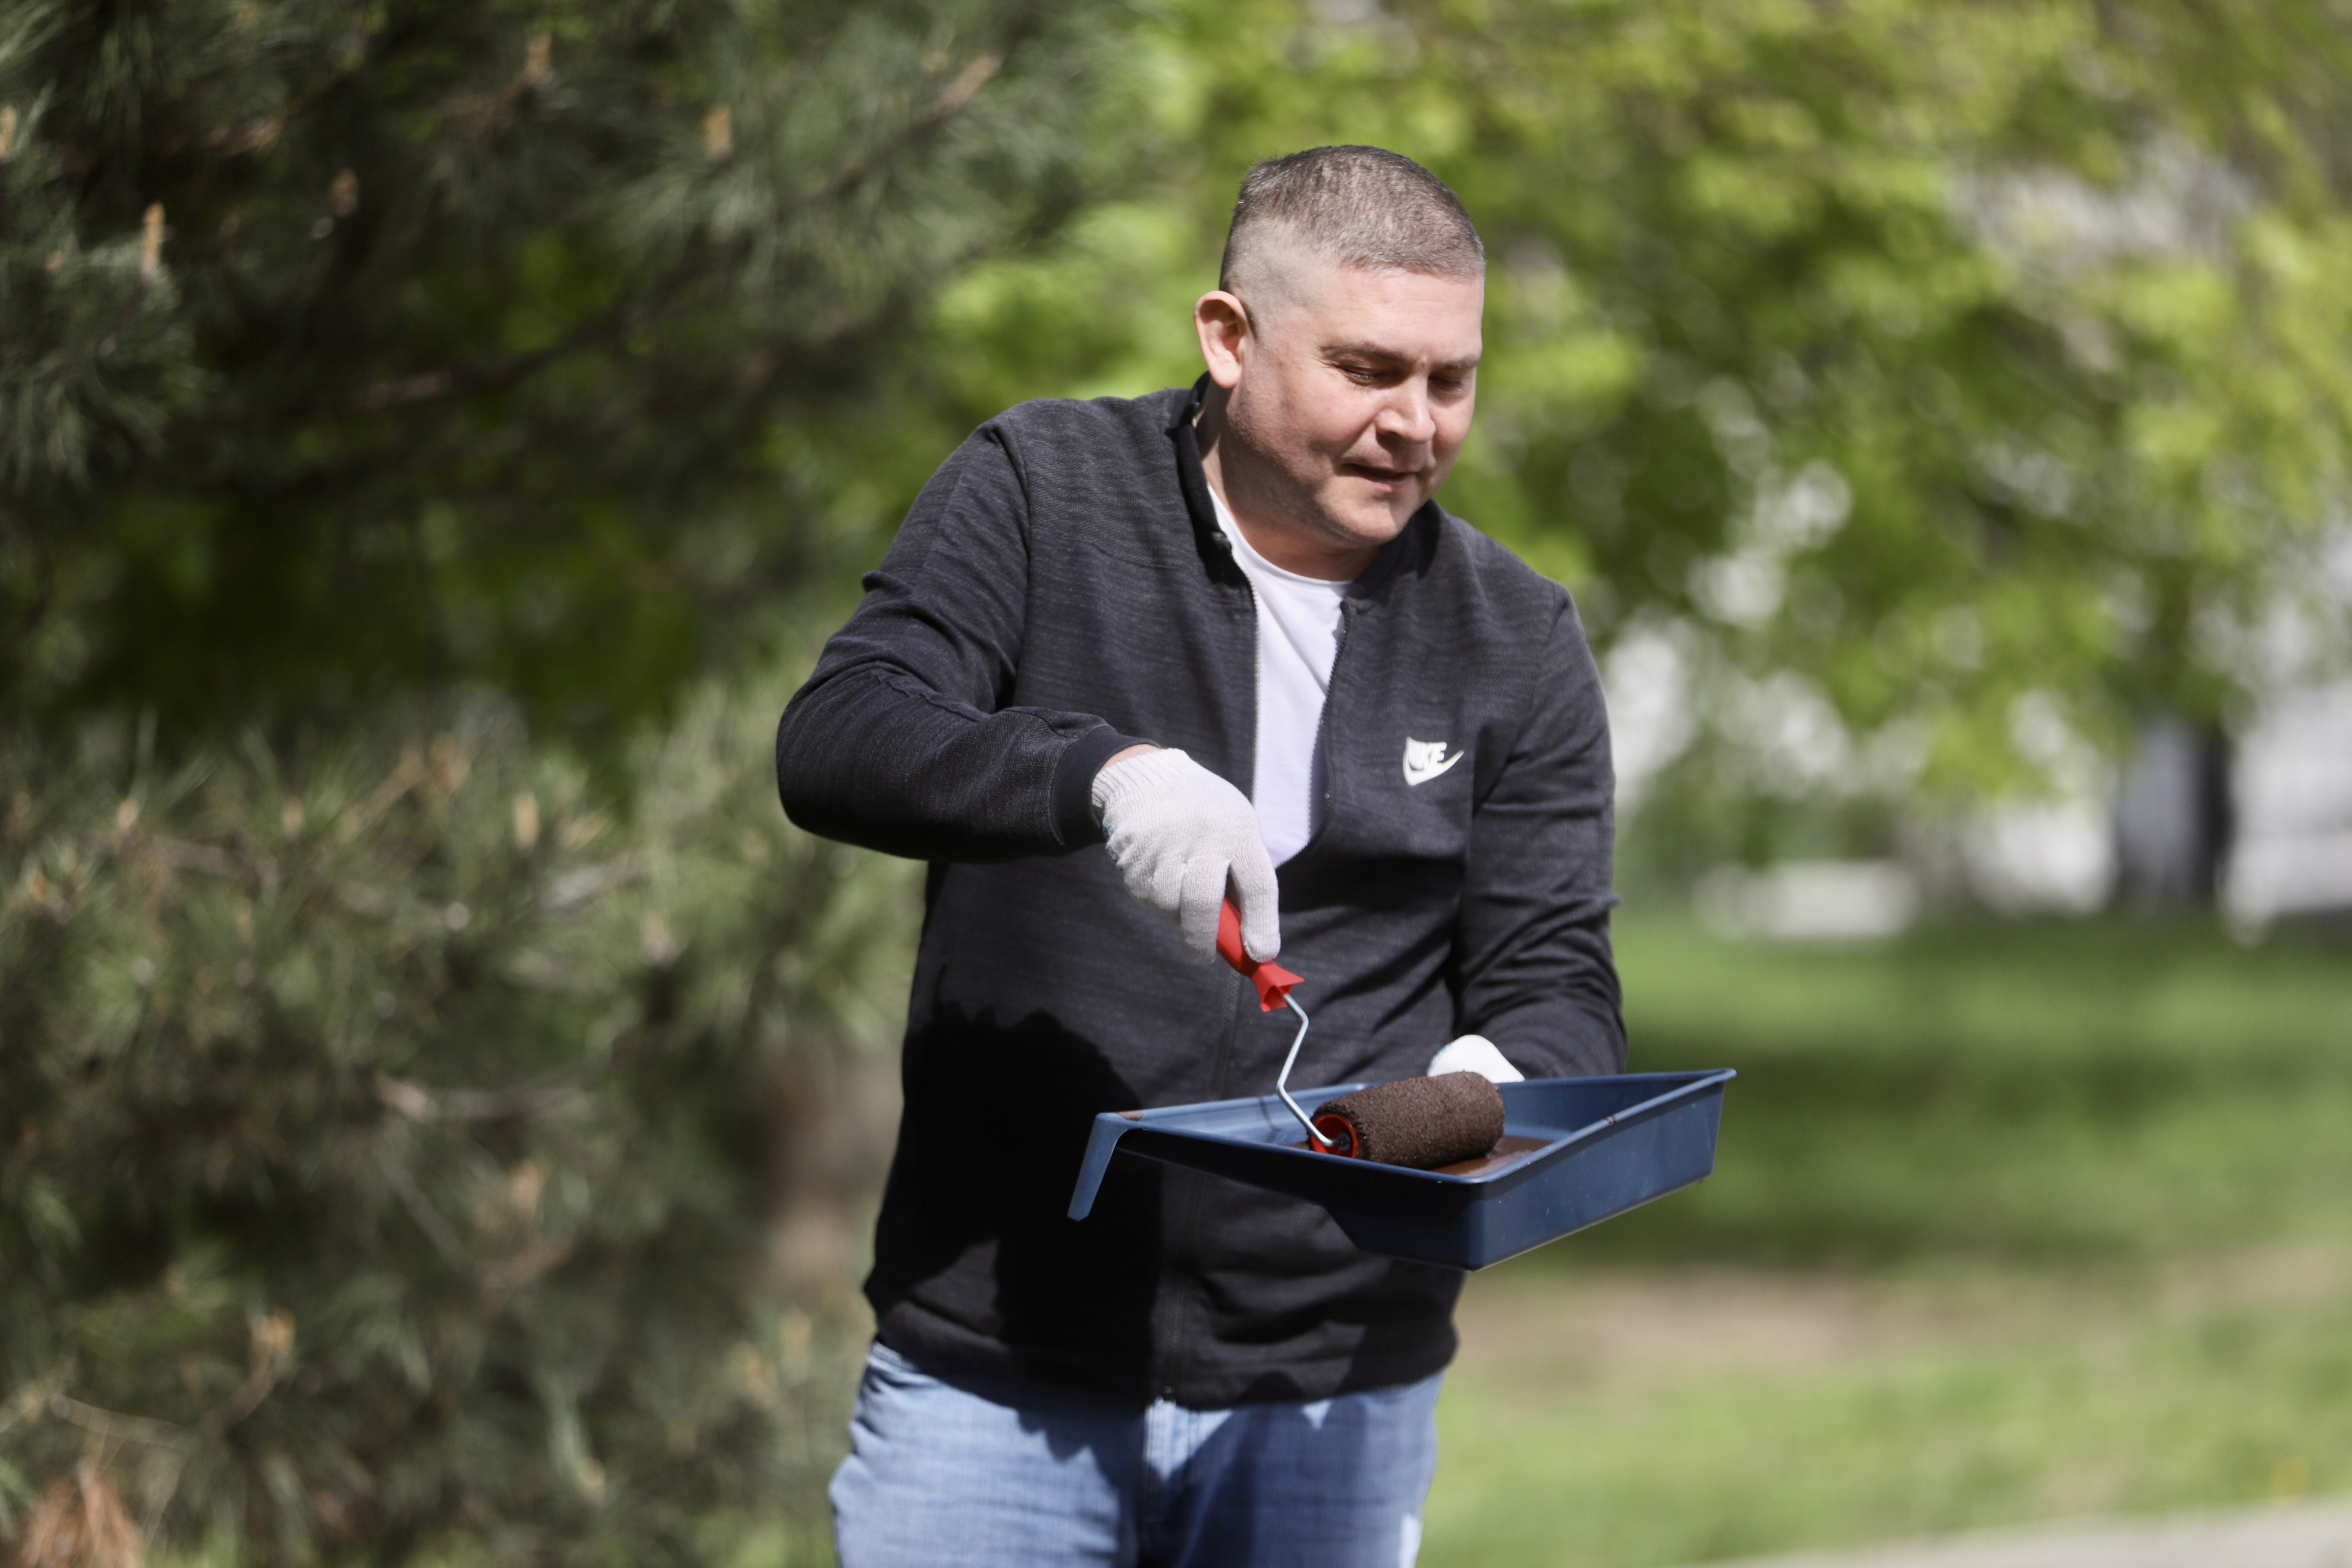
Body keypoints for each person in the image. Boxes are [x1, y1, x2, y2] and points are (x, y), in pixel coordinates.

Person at [776, 145, 1623, 1568]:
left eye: (1451, 380)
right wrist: (1098, 773)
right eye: (1367, 370)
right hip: (996, 1369)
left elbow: (1558, 984)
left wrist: (1485, 1092)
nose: (1414, 424)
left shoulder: (1513, 636)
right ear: (1228, 339)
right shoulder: (1043, 490)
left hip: (1334, 1392)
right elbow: (841, 736)